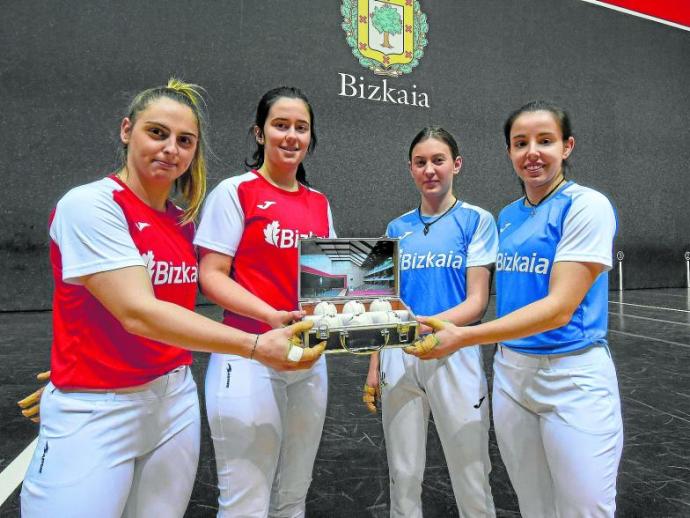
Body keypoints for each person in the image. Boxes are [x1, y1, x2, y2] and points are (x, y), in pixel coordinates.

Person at [20, 79, 324, 518]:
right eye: (157, 133)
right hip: (97, 408)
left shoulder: (183, 223)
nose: (170, 149)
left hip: (174, 402)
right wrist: (256, 343)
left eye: (185, 141)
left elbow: (160, 310)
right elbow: (138, 311)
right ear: (127, 130)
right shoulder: (88, 204)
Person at [407, 101, 623, 517]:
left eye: (545, 141)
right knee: (534, 506)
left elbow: (559, 308)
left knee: (585, 508)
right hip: (512, 375)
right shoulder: (507, 216)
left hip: (572, 376)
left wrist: (465, 336)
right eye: (520, 143)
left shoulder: (587, 206)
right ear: (509, 152)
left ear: (568, 146)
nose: (532, 152)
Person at [194, 86, 336, 517]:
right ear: (259, 133)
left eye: (301, 128)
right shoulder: (235, 192)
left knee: (294, 493)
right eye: (280, 125)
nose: (291, 136)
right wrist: (270, 316)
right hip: (248, 354)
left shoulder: (320, 203)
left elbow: (328, 282)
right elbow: (211, 277)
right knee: (245, 503)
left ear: (311, 138)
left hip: (309, 360)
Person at [364, 127, 497, 517]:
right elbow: (383, 302)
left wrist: (423, 327)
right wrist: (375, 364)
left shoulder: (477, 221)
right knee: (402, 474)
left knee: (471, 472)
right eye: (420, 162)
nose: (430, 170)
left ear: (456, 165)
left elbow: (475, 302)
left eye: (438, 160)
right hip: (397, 356)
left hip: (454, 353)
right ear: (410, 169)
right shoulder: (395, 228)